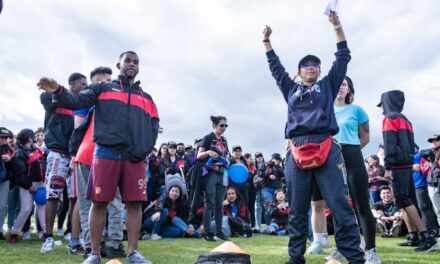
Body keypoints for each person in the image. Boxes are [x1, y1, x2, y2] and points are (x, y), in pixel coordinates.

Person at [37, 51, 160, 264]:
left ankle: (132, 253)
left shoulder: (147, 98)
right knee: (99, 202)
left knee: (133, 205)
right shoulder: (102, 88)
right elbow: (75, 101)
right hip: (106, 153)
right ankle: (94, 253)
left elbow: (154, 124)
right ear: (119, 64)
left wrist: (145, 149)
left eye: (135, 61)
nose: (132, 64)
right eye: (127, 60)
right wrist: (57, 90)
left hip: (135, 158)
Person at [263, 10, 364, 264]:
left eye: (315, 65)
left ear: (319, 71)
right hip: (296, 149)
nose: (311, 68)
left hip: (327, 146)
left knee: (339, 204)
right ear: (299, 71)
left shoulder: (328, 85)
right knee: (297, 208)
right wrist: (267, 42)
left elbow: (343, 56)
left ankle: (354, 257)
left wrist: (337, 25)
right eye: (306, 65)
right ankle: (295, 258)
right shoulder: (290, 89)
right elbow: (275, 67)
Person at [310, 76, 381, 263]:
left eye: (344, 84)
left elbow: (364, 139)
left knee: (361, 205)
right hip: (329, 157)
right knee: (337, 206)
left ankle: (371, 251)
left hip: (352, 154)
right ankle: (344, 248)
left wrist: (350, 152)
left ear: (349, 90)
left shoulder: (357, 110)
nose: (340, 87)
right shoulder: (323, 110)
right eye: (338, 84)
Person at [70, 66, 127, 258]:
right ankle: (103, 244)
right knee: (101, 202)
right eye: (106, 80)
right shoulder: (89, 99)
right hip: (95, 153)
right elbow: (77, 129)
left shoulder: (107, 100)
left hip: (98, 154)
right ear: (95, 82)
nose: (111, 83)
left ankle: (101, 245)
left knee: (100, 202)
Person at [379, 90, 438, 252]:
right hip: (406, 165)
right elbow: (411, 146)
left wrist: (388, 167)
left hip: (397, 166)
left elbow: (389, 143)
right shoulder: (406, 120)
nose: (381, 108)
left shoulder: (389, 118)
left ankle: (427, 237)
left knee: (403, 200)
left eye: (382, 104)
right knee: (404, 200)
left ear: (387, 102)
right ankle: (413, 236)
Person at [40, 72, 87, 253]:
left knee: (76, 196)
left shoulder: (82, 104)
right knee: (53, 195)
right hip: (58, 153)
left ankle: (74, 237)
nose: (85, 87)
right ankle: (48, 237)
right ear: (71, 84)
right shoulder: (56, 99)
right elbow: (44, 97)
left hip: (76, 155)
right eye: (82, 84)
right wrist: (54, 90)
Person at [8, 129, 47, 243]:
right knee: (26, 209)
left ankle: (46, 233)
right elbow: (20, 173)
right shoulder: (19, 153)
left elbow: (43, 166)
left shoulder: (36, 150)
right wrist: (29, 186)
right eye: (32, 135)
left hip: (40, 183)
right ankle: (14, 233)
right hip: (27, 185)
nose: (34, 137)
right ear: (28, 138)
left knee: (42, 207)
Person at [197, 115, 230, 242]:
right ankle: (208, 233)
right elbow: (198, 156)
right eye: (221, 125)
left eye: (226, 125)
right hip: (210, 174)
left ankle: (219, 232)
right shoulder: (208, 138)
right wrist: (208, 153)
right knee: (209, 203)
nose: (224, 128)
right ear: (214, 125)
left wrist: (227, 161)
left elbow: (226, 155)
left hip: (223, 174)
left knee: (219, 205)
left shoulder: (225, 140)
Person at [142, 175, 197, 239]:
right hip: (150, 221)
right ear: (169, 192)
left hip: (161, 226)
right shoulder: (164, 197)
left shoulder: (179, 204)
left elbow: (183, 217)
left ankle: (150, 236)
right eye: (172, 191)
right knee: (165, 211)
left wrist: (189, 224)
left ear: (179, 194)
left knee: (176, 231)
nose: (174, 193)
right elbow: (160, 204)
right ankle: (154, 233)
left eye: (177, 192)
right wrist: (158, 212)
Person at [413, 145, 439, 236]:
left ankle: (432, 230)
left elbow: (421, 167)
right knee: (423, 208)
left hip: (421, 184)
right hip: (416, 185)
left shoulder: (418, 155)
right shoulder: (412, 156)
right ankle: (431, 230)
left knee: (424, 207)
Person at [0, 127, 14, 240]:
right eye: (2, 137)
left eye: (6, 137)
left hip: (5, 181)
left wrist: (10, 160)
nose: (4, 139)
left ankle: (0, 230)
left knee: (3, 207)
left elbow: (14, 168)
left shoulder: (11, 150)